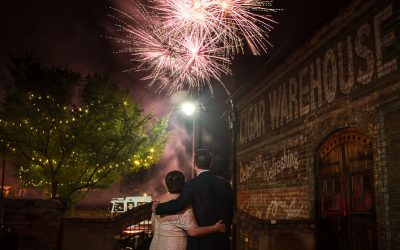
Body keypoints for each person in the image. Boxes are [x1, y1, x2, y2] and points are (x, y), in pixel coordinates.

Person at [154, 149, 234, 250]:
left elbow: (179, 204)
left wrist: (158, 208)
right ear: (211, 163)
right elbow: (231, 210)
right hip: (222, 241)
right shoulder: (225, 184)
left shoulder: (191, 185)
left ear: (194, 164)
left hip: (201, 243)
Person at [149, 170, 226, 250]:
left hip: (155, 246)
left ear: (167, 184)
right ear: (184, 183)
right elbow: (193, 232)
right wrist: (215, 228)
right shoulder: (184, 204)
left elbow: (154, 228)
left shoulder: (157, 203)